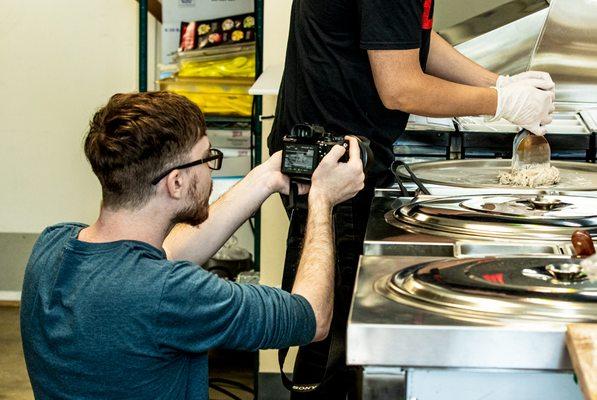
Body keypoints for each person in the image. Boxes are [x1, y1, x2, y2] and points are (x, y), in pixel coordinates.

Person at [268, 1, 556, 398]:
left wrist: (500, 85)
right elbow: (400, 87)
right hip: (331, 167)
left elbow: (413, 39)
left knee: (338, 328)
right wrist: (500, 104)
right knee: (331, 342)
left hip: (344, 155)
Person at [19, 91, 365, 400]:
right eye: (207, 158)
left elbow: (159, 259)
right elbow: (314, 317)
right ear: (177, 181)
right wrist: (323, 201)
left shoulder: (52, 246)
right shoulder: (174, 292)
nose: (211, 170)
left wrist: (267, 178)